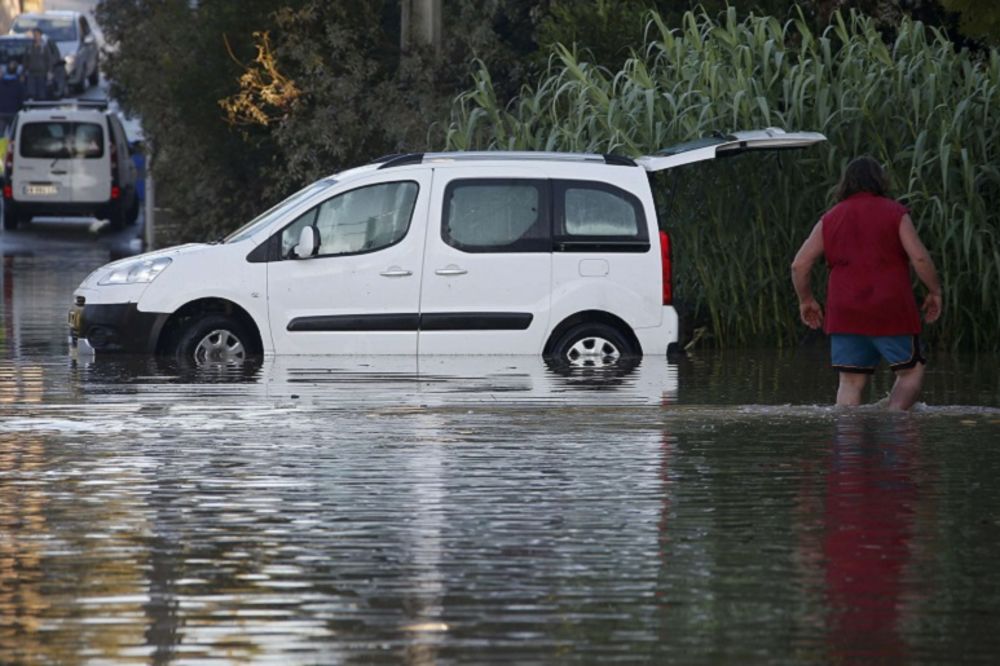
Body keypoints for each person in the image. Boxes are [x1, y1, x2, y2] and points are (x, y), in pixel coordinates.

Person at [791, 156, 942, 411]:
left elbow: (799, 264)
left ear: (845, 184)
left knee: (850, 382)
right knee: (910, 372)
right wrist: (935, 290)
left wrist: (806, 300)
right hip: (889, 308)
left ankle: (848, 446)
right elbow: (919, 257)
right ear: (880, 181)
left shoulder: (830, 218)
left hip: (845, 310)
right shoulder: (895, 213)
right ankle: (895, 423)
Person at [23, 27, 52, 101]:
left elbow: (49, 59)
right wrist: (24, 71)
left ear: (40, 35)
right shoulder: (29, 47)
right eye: (34, 35)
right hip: (31, 73)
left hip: (42, 73)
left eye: (37, 35)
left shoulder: (44, 47)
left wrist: (49, 71)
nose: (36, 36)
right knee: (31, 92)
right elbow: (25, 59)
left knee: (41, 92)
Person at [0, 60, 25, 133]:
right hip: (13, 112)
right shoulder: (19, 84)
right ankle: (10, 144)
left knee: (0, 135)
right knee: (13, 135)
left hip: (1, 112)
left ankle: (1, 145)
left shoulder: (1, 83)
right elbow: (21, 99)